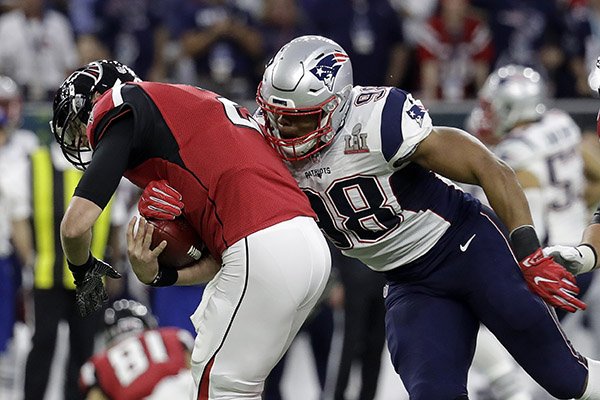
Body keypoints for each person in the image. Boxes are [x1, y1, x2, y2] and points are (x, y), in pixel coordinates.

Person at [250, 35, 600, 399]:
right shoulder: (257, 140)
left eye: (298, 119)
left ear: (336, 106)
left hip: (469, 249)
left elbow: (489, 167)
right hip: (408, 281)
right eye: (275, 116)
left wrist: (527, 249)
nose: (282, 130)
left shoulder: (378, 121)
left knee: (568, 379)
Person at [50, 59, 330, 399]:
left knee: (210, 390)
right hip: (309, 247)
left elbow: (75, 227)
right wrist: (158, 277)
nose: (84, 137)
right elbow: (219, 262)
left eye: (81, 125)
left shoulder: (121, 102)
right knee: (241, 389)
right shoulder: (191, 118)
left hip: (260, 243)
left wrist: (84, 271)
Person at [23, 141, 117, 400]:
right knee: (42, 344)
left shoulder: (107, 162)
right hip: (47, 274)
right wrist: (28, 262)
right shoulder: (36, 160)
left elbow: (116, 223)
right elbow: (21, 217)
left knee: (83, 349)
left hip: (90, 277)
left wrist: (115, 268)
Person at [79, 298, 195, 400]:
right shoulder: (174, 336)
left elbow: (95, 396)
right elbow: (197, 372)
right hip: (183, 390)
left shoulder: (99, 364)